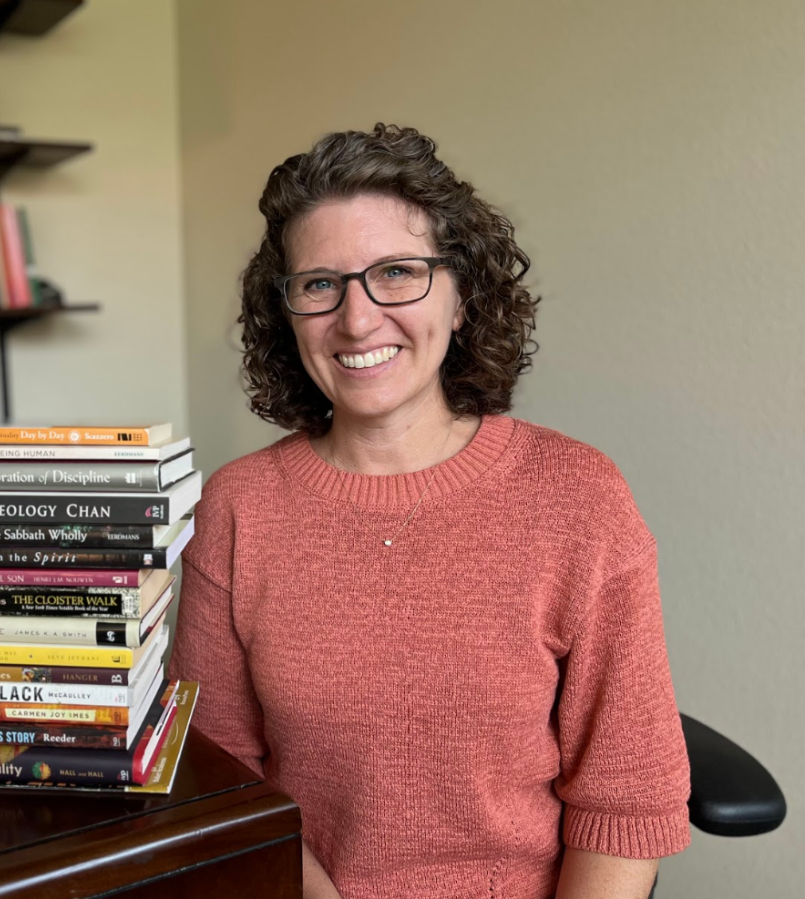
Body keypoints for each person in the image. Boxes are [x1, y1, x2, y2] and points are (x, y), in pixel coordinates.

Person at [168, 124, 691, 899]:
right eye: (320, 284)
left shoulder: (578, 496)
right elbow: (220, 770)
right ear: (286, 312)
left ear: (462, 290)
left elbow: (627, 797)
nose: (357, 318)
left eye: (398, 272)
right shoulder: (241, 506)